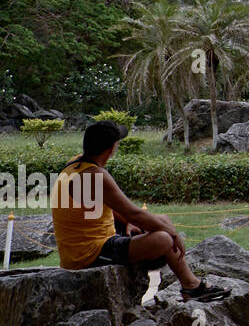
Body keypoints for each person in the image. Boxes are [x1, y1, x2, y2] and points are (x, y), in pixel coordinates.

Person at [51, 122, 229, 301]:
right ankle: (191, 287)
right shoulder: (94, 175)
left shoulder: (75, 165)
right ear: (112, 148)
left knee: (162, 219)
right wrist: (175, 235)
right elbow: (135, 213)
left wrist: (129, 221)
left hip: (93, 245)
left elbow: (113, 208)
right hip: (89, 256)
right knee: (164, 239)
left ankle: (191, 285)